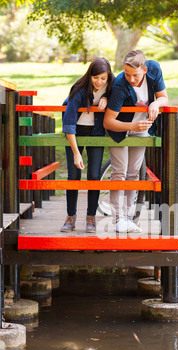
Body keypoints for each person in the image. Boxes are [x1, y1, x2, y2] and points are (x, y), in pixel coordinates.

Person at [103, 50, 168, 233]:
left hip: (142, 129)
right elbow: (108, 121)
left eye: (135, 75)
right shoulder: (120, 84)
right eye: (127, 73)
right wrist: (131, 126)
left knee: (133, 173)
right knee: (119, 172)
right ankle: (118, 219)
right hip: (120, 130)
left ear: (145, 69)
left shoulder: (154, 69)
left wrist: (155, 104)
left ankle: (129, 218)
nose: (131, 78)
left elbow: (163, 97)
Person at [60, 57, 114, 233]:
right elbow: (68, 123)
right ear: (90, 75)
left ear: (108, 77)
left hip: (96, 132)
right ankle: (70, 217)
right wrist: (76, 153)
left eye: (103, 78)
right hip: (75, 132)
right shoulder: (79, 89)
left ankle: (91, 218)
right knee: (73, 174)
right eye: (95, 77)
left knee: (94, 174)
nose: (99, 82)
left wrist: (106, 96)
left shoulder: (111, 86)